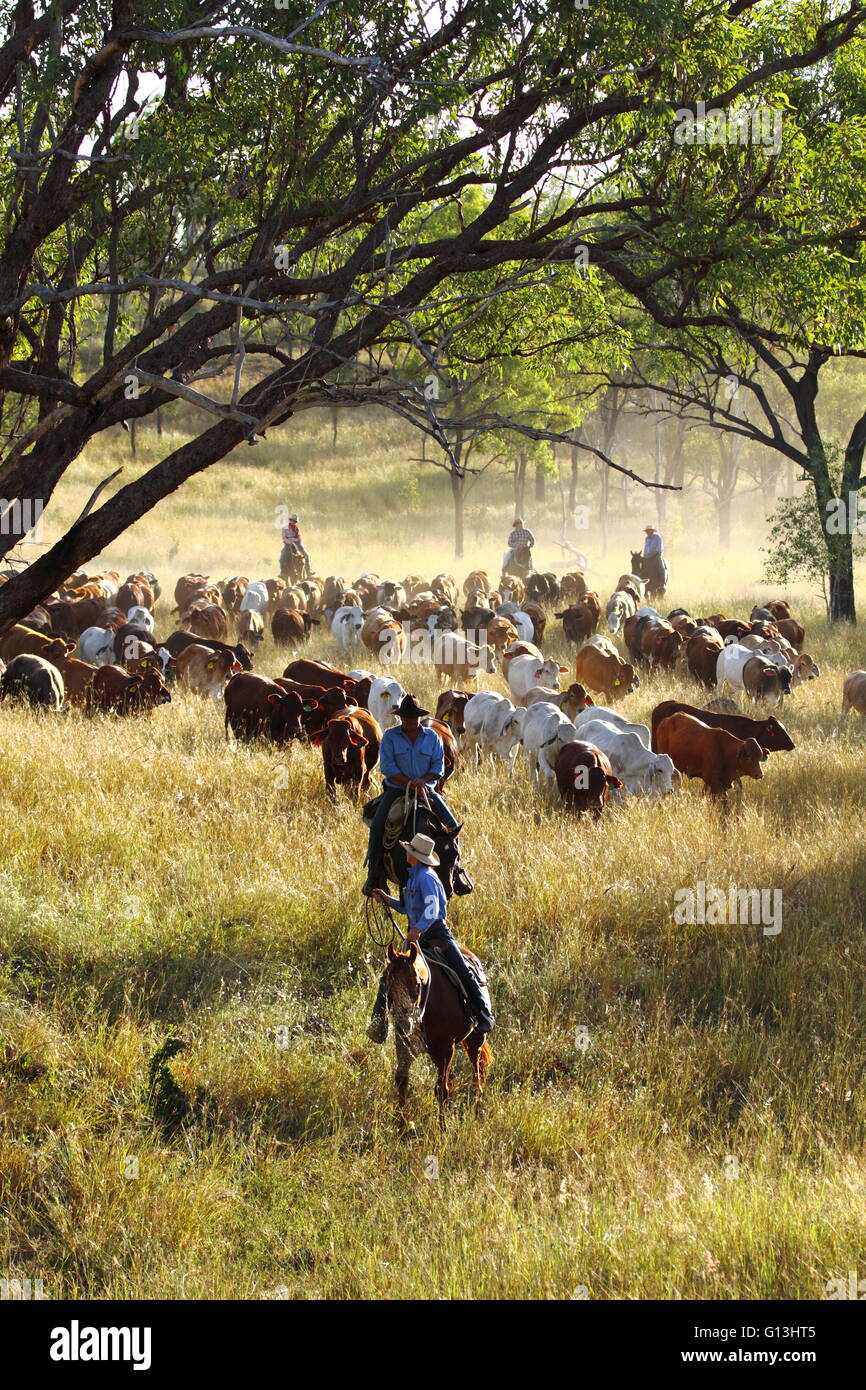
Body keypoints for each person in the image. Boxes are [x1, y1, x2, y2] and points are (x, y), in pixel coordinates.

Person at [367, 832, 494, 1043]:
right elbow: (405, 907)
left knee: (463, 970)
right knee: (390, 974)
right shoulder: (412, 877)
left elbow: (433, 909)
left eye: (410, 852)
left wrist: (418, 929)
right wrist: (386, 899)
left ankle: (483, 1014)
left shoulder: (426, 877)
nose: (406, 854)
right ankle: (378, 1021)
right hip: (416, 938)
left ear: (415, 856)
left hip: (436, 934)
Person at [362, 693, 458, 894]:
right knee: (378, 825)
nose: (409, 721)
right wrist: (409, 783)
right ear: (400, 717)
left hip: (427, 790)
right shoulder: (390, 736)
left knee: (452, 827)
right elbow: (387, 767)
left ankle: (456, 870)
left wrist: (423, 781)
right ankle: (374, 873)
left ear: (418, 718)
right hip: (397, 789)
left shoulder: (432, 737)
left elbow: (438, 766)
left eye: (412, 718)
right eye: (405, 717)